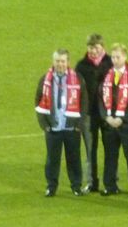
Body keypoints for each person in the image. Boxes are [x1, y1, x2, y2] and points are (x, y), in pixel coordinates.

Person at [35, 48, 88, 197]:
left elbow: (84, 102)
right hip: (53, 127)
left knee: (74, 158)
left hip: (71, 127)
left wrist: (79, 125)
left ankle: (76, 186)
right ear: (53, 62)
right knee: (52, 159)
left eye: (63, 61)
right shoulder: (45, 79)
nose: (60, 64)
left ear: (68, 62)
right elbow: (38, 102)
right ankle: (51, 186)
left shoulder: (77, 78)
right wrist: (44, 125)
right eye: (57, 61)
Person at [99, 43, 128, 196]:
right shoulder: (106, 75)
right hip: (109, 124)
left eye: (118, 57)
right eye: (113, 57)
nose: (115, 60)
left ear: (125, 57)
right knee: (110, 156)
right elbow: (100, 98)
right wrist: (106, 117)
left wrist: (122, 119)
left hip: (127, 125)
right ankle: (110, 185)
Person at [75, 33, 112, 194]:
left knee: (111, 150)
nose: (93, 51)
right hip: (88, 114)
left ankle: (110, 183)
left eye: (96, 47)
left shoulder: (111, 63)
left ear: (102, 47)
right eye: (90, 47)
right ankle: (91, 182)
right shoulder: (81, 66)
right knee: (90, 150)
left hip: (107, 114)